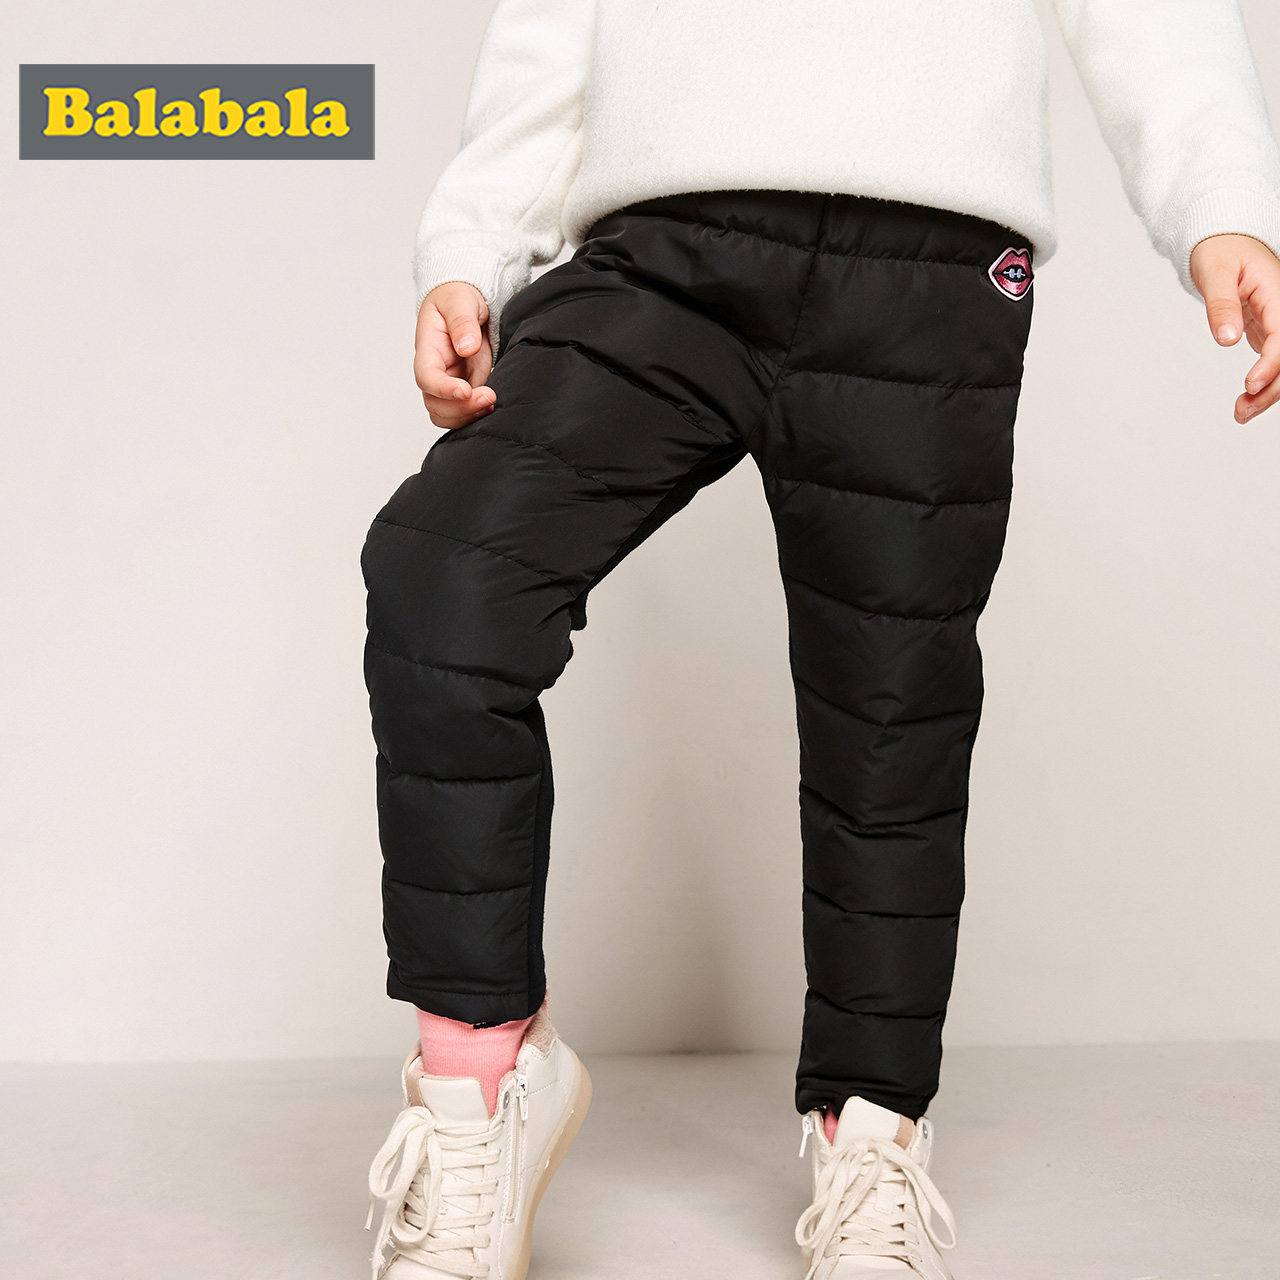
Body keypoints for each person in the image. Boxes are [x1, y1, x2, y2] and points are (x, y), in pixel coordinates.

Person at [360, 3, 1280, 1277]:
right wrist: (472, 244)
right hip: (662, 244)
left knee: (889, 711)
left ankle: (870, 1140)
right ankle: (480, 1077)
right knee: (447, 579)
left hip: (930, 255)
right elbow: (557, 24)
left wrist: (1219, 199)